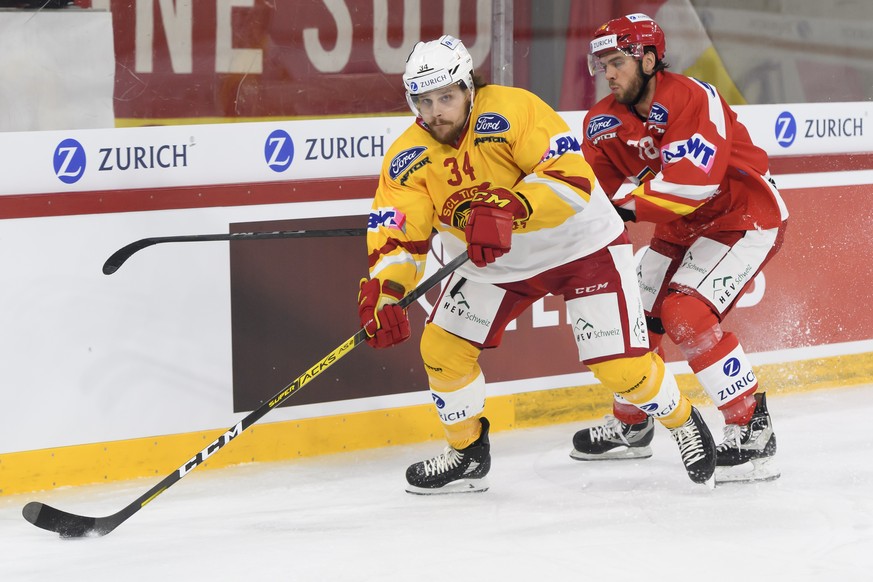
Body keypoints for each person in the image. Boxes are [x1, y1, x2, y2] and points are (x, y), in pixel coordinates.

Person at [358, 34, 717, 495]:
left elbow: (570, 180)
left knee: (620, 369)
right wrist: (387, 291)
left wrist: (510, 210)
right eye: (423, 101)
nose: (435, 113)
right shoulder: (407, 157)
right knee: (443, 350)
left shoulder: (512, 110)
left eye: (446, 97)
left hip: (577, 245)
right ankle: (467, 453)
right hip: (494, 264)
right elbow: (398, 236)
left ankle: (683, 421)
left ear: (469, 87)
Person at [575, 14, 788, 483]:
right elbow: (595, 197)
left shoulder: (692, 96)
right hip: (682, 228)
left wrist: (623, 207)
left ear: (649, 59)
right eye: (602, 64)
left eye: (617, 62)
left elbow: (693, 185)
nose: (607, 74)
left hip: (742, 217)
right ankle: (632, 425)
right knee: (630, 316)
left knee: (685, 315)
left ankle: (751, 428)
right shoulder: (599, 124)